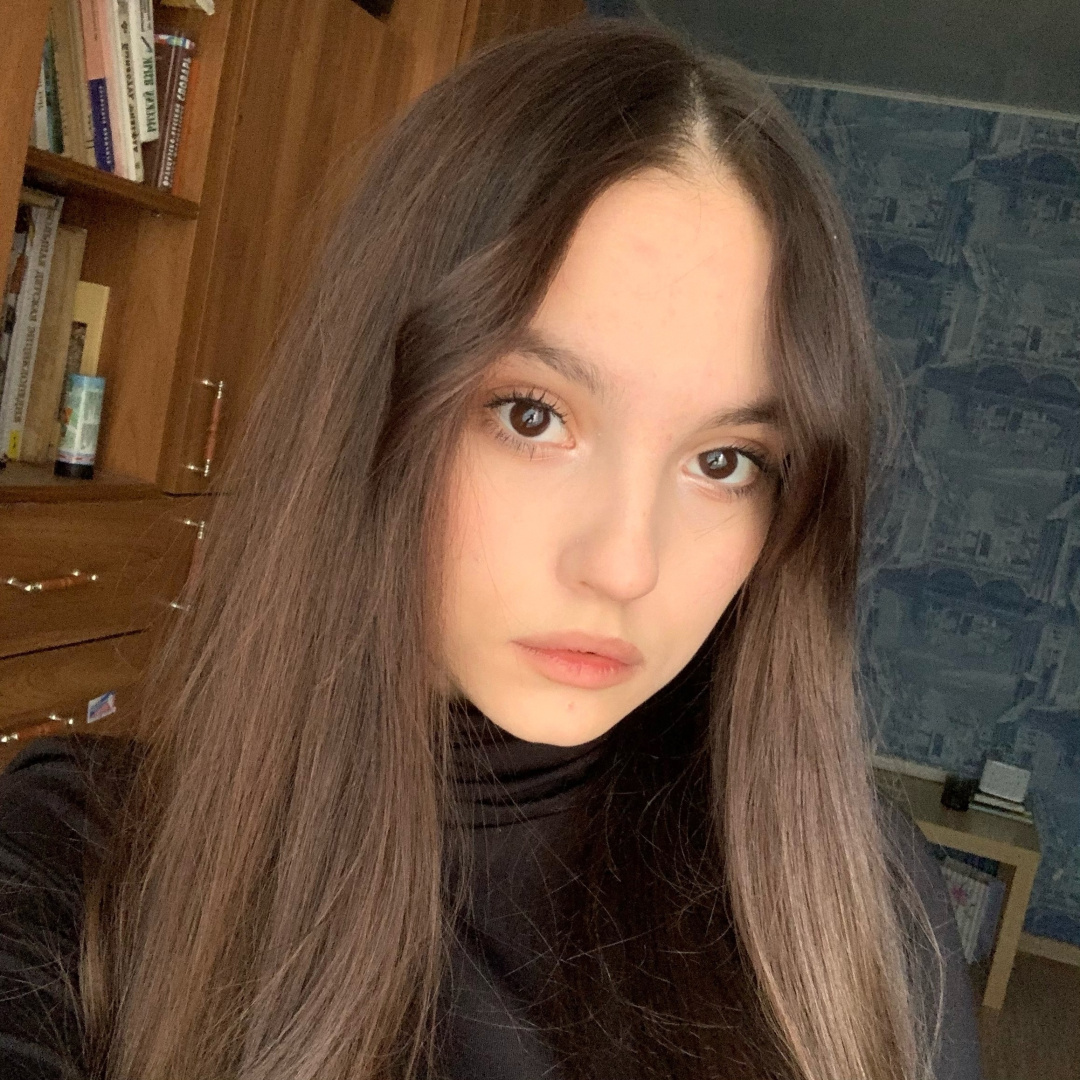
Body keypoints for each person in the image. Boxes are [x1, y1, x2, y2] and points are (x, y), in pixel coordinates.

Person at [0, 18, 980, 1080]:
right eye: (531, 415)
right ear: (371, 402)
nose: (624, 565)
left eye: (724, 461)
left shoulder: (854, 905)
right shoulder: (77, 865)